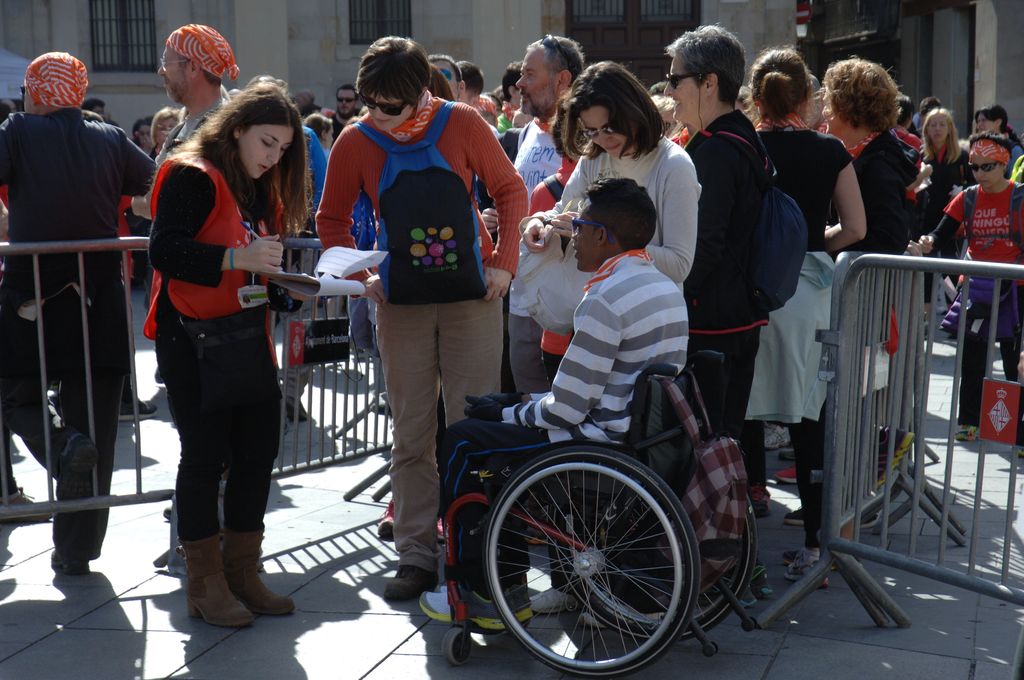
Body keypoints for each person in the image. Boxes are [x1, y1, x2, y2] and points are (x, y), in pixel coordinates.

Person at [419, 177, 689, 627]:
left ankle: (481, 590)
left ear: (603, 235)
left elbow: (565, 410)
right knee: (496, 435)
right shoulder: (664, 289)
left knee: (466, 442)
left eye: (580, 227)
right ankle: (510, 585)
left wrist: (507, 409)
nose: (573, 237)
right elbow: (594, 389)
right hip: (645, 438)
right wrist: (522, 400)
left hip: (598, 447)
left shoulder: (605, 298)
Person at [317, 36, 528, 601]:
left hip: (473, 299)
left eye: (391, 106)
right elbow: (331, 220)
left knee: (471, 430)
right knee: (411, 433)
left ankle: (472, 548)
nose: (378, 117)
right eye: (370, 103)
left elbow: (510, 190)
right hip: (401, 305)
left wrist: (504, 265)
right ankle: (416, 552)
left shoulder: (460, 122)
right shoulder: (355, 142)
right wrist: (364, 281)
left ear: (418, 96)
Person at [146, 82, 308, 627]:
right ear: (236, 130)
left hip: (241, 333)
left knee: (258, 448)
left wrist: (286, 281)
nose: (272, 157)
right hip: (191, 337)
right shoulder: (194, 173)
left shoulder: (254, 184)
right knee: (205, 455)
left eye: (282, 150)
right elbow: (163, 250)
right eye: (267, 143)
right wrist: (239, 256)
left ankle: (242, 571)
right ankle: (206, 581)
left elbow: (253, 262)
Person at [0, 52, 155, 571]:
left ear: (35, 93)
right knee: (99, 421)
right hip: (100, 298)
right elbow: (152, 189)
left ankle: (59, 442)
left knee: (12, 391)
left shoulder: (19, 129)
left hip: (33, 295)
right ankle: (76, 552)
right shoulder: (110, 136)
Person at [742, 46, 867, 576]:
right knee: (809, 418)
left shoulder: (738, 145)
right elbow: (857, 229)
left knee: (739, 412)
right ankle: (817, 543)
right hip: (808, 288)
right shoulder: (829, 150)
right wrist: (817, 242)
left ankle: (734, 543)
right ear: (807, 95)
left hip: (748, 290)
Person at [663, 25, 766, 443]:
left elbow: (703, 247)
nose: (669, 91)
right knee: (723, 445)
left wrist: (672, 302)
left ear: (709, 83)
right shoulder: (737, 136)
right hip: (731, 316)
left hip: (711, 322)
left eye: (675, 79)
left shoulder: (719, 150)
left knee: (707, 450)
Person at [920, 133, 1023, 442]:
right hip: (976, 286)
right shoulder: (967, 197)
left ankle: (1018, 432)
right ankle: (968, 422)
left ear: (1003, 165)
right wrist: (928, 242)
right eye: (974, 167)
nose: (979, 174)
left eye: (987, 167)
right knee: (972, 358)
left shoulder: (1020, 197)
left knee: (1013, 360)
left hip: (1015, 288)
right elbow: (941, 232)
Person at [504, 35, 586, 395]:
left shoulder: (589, 139)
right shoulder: (525, 135)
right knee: (529, 403)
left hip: (567, 303)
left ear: (562, 80)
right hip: (524, 299)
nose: (519, 84)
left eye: (529, 74)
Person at [132, 23, 238, 218]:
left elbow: (153, 203)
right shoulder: (180, 130)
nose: (161, 71)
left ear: (193, 67)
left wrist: (139, 202)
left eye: (166, 61)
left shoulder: (228, 128)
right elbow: (151, 201)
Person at [821, 58, 919, 255]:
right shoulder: (868, 154)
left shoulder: (879, 165)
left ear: (846, 108)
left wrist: (823, 246)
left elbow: (888, 237)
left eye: (829, 103)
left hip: (860, 282)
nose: (824, 113)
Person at [919, 107, 974, 258]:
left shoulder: (961, 156)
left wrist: (961, 189)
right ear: (926, 130)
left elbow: (975, 183)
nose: (937, 129)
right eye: (933, 125)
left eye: (942, 124)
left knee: (952, 270)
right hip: (926, 220)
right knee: (927, 271)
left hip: (952, 221)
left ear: (950, 128)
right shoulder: (921, 156)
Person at [974, 105, 1024, 178]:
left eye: (983, 120)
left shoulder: (1014, 150)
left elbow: (1015, 182)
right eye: (978, 121)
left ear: (998, 122)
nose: (979, 125)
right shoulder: (978, 148)